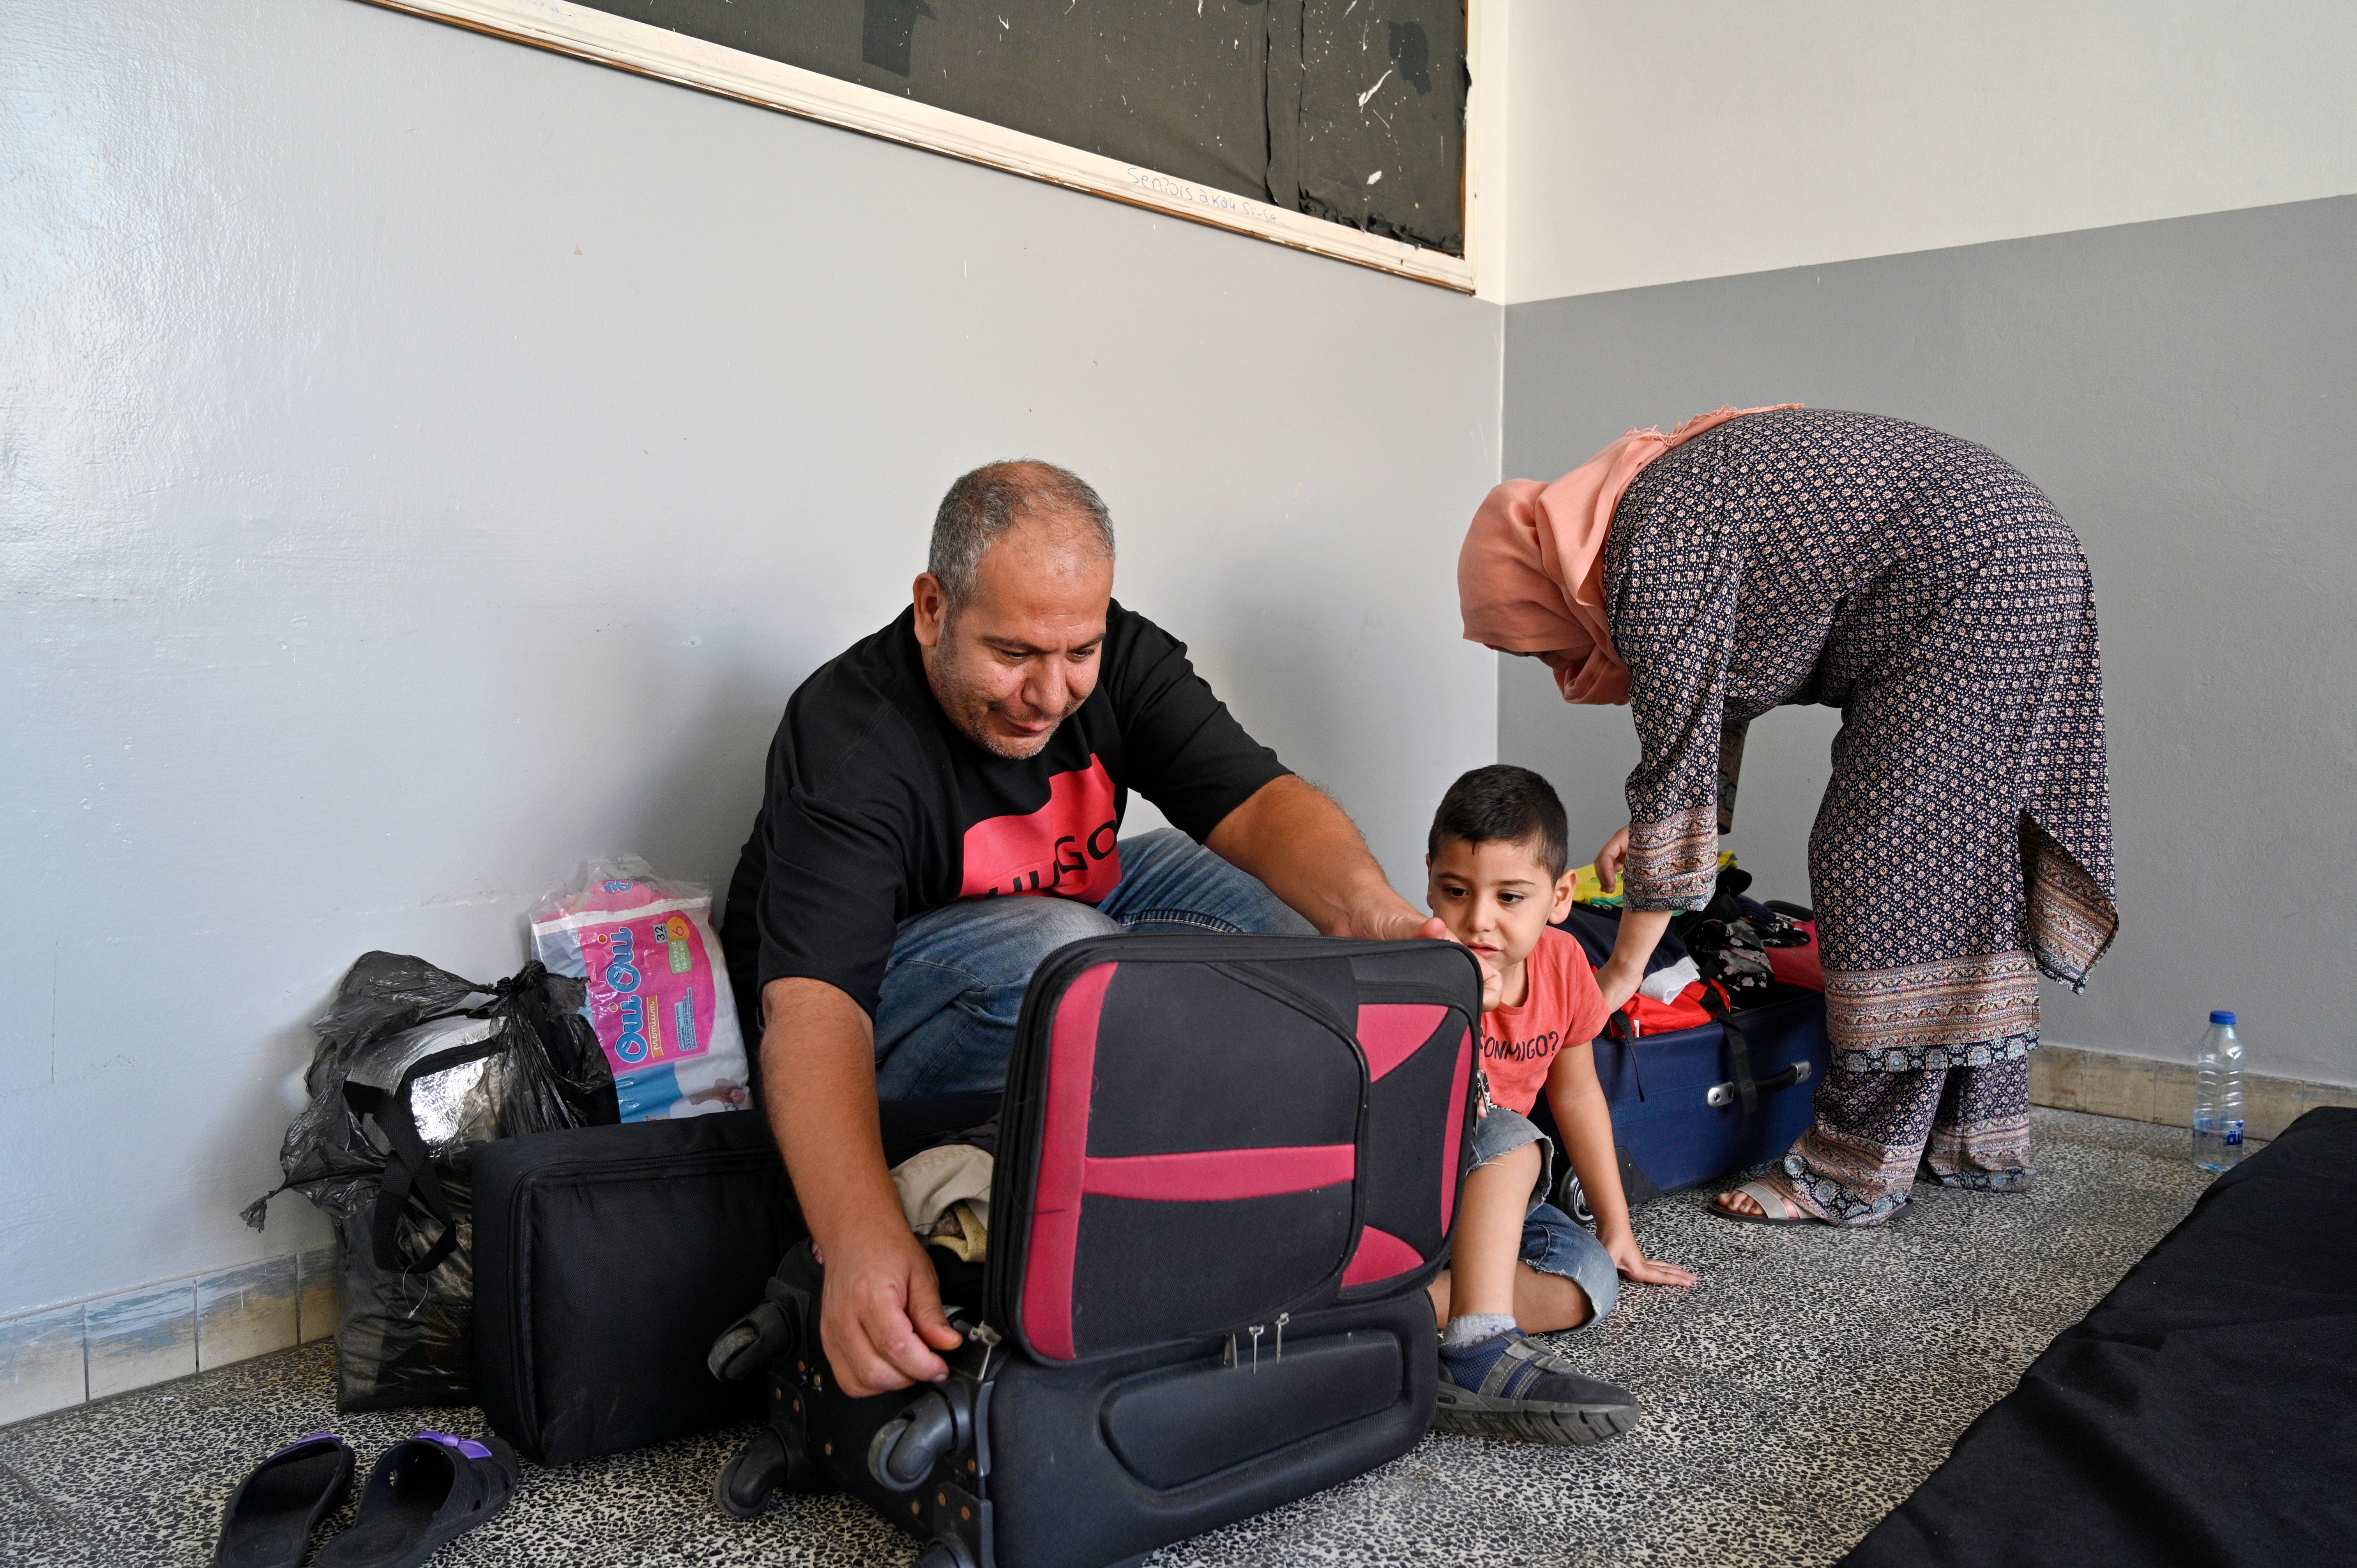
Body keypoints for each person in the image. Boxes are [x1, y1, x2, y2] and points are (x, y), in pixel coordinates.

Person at [721, 460, 1455, 1397]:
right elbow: (814, 1009)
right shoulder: (851, 733)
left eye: (1079, 651)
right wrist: (860, 1234)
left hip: (1065, 937)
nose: (1052, 691)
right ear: (933, 608)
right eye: (1016, 653)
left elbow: (1263, 803)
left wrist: (1381, 920)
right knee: (1065, 953)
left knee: (1278, 921)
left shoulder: (1124, 657)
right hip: (876, 1019)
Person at [1459, 406, 2118, 1228]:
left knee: (1879, 862)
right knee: (1959, 857)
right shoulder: (1650, 515)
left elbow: (1675, 754)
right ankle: (1973, 1136)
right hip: (2010, 550)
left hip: (1974, 577)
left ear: (1537, 587)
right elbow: (1714, 704)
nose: (1560, 667)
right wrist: (1703, 813)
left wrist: (1622, 971)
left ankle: (1851, 1171)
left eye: (1534, 642)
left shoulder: (1645, 550)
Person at [1421, 765, 1696, 1445]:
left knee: (1590, 1283)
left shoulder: (1565, 963)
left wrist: (1618, 1225)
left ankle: (1383, 1317)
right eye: (1455, 892)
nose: (1478, 920)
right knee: (1511, 1135)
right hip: (1417, 1185)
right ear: (1430, 879)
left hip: (1497, 1201)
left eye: (1510, 897)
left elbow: (1576, 1092)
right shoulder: (1420, 963)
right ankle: (1477, 1344)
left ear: (1559, 895)